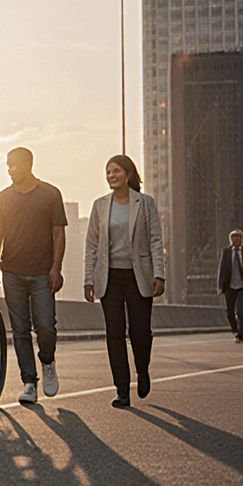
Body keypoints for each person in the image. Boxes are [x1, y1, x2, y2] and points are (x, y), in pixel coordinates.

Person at [0, 147, 67, 404]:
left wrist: (56, 267)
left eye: (15, 165)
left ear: (28, 164)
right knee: (19, 330)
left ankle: (47, 360)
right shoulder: (2, 198)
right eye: (8, 165)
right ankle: (29, 382)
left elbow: (58, 234)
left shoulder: (50, 194)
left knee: (45, 326)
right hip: (12, 272)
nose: (10, 169)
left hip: (42, 273)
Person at [83, 155, 165, 409]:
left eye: (116, 171)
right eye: (107, 172)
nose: (111, 176)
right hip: (109, 278)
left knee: (140, 332)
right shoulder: (100, 206)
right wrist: (89, 279)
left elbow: (155, 241)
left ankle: (142, 369)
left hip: (138, 275)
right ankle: (122, 390)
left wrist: (159, 274)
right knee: (114, 334)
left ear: (128, 174)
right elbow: (91, 245)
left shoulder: (145, 203)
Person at [217, 229, 243, 343]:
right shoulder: (226, 252)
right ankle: (235, 328)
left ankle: (241, 334)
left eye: (238, 237)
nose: (236, 239)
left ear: (242, 239)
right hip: (230, 287)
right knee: (230, 312)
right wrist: (220, 286)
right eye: (233, 237)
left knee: (241, 310)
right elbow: (222, 269)